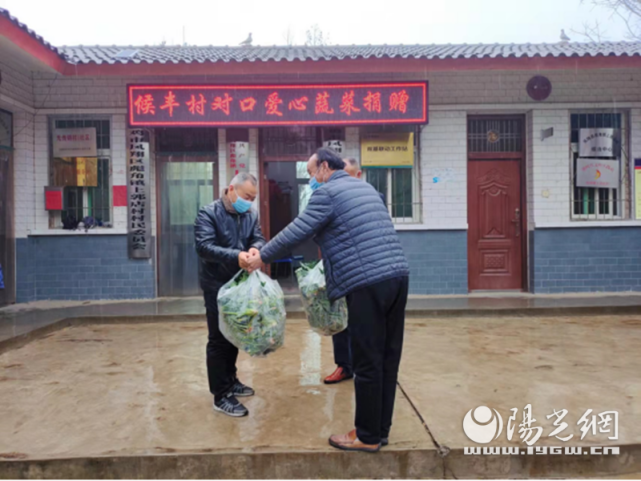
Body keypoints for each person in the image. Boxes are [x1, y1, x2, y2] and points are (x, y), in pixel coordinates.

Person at [246, 148, 409, 452]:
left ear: (323, 168)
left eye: (310, 174)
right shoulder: (366, 187)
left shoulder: (328, 192)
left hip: (367, 282)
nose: (311, 181)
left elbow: (298, 230)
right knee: (387, 359)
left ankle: (366, 436)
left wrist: (261, 257)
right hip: (397, 276)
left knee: (367, 361)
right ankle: (379, 431)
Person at [194, 172, 266, 418]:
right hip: (216, 284)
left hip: (239, 283)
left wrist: (256, 247)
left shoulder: (250, 214)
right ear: (231, 190)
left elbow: (257, 236)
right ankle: (221, 394)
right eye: (247, 196)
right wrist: (236, 255)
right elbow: (204, 247)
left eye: (253, 198)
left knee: (234, 334)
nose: (250, 202)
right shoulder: (209, 213)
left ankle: (231, 379)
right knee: (218, 338)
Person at [324, 157, 386, 385]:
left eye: (347, 176)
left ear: (358, 176)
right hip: (340, 269)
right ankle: (344, 365)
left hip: (365, 271)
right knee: (340, 320)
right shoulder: (329, 196)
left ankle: (366, 368)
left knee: (367, 324)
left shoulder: (373, 197)